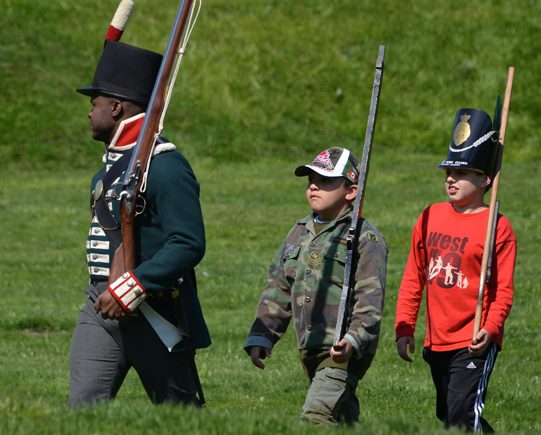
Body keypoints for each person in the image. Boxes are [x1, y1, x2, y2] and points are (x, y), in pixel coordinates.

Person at [68, 40, 211, 407]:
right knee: (82, 410)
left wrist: (133, 286)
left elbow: (188, 243)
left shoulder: (165, 165)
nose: (89, 112)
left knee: (180, 416)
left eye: (94, 103)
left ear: (116, 107)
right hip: (99, 303)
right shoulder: (110, 168)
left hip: (153, 307)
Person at [244, 147, 388, 425]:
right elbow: (278, 287)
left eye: (325, 181)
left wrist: (354, 339)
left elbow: (370, 299)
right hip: (309, 346)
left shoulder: (364, 238)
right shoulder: (299, 232)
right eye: (311, 179)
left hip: (342, 349)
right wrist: (263, 335)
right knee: (341, 419)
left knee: (316, 417)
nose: (313, 186)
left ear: (351, 191)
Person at [394, 108, 517, 432]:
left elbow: (503, 290)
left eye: (461, 173)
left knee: (462, 420)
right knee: (450, 415)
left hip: (473, 338)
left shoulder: (498, 227)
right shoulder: (429, 216)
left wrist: (489, 329)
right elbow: (413, 277)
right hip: (436, 340)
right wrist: (404, 326)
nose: (451, 178)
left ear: (484, 179)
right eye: (448, 171)